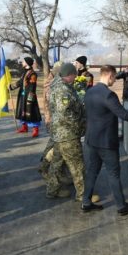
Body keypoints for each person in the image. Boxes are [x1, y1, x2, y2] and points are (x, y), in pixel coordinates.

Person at [81, 65, 128, 215]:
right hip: (106, 143)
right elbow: (124, 115)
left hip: (91, 140)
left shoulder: (89, 91)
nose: (114, 81)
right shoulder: (108, 95)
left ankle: (86, 202)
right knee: (113, 174)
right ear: (110, 75)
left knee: (92, 172)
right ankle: (121, 206)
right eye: (114, 77)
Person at [43, 63, 86, 200]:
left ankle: (52, 191)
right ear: (70, 75)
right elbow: (64, 113)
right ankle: (83, 195)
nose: (75, 78)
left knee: (56, 163)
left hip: (58, 134)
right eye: (74, 75)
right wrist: (79, 126)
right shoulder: (63, 90)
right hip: (67, 134)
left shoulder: (57, 85)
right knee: (77, 166)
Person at [10, 57, 42, 138]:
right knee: (22, 110)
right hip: (23, 95)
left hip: (29, 96)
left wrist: (30, 99)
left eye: (23, 61)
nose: (22, 63)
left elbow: (32, 87)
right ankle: (24, 127)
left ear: (27, 63)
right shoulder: (24, 72)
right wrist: (10, 87)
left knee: (31, 111)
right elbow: (20, 82)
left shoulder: (33, 74)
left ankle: (35, 130)